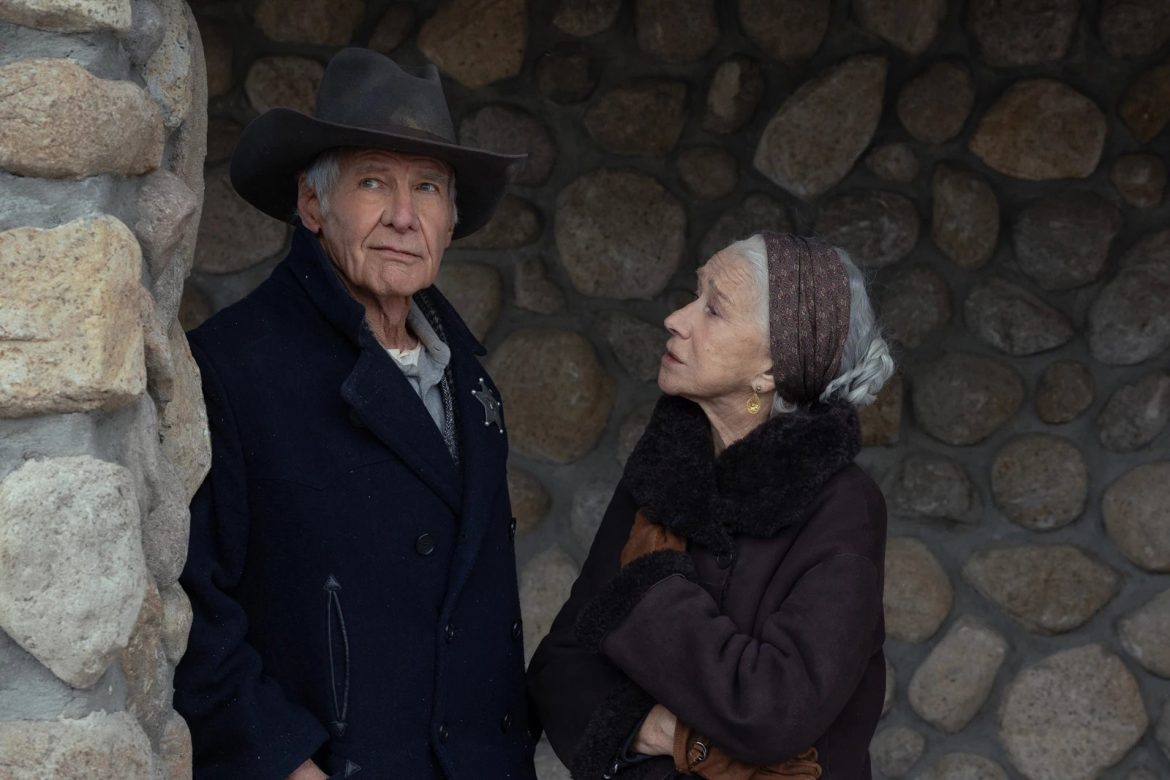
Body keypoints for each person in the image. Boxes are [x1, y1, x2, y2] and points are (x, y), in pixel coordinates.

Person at [174, 48, 537, 780]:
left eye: (427, 188)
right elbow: (188, 602)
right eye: (373, 182)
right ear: (313, 206)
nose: (404, 217)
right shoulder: (235, 367)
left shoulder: (468, 376)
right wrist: (284, 761)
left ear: (450, 219)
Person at [527, 233, 895, 779]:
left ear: (771, 369)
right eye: (693, 295)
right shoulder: (663, 476)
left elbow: (772, 712)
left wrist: (649, 586)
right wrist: (655, 730)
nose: (676, 319)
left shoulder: (843, 506)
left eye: (714, 309)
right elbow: (560, 668)